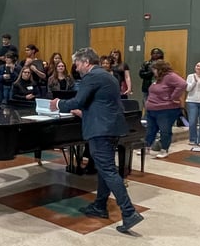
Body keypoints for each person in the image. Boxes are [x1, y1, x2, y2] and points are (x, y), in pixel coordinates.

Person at [49, 47, 144, 234]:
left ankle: (129, 212)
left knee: (108, 170)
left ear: (86, 62)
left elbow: (78, 101)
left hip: (100, 129)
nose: (75, 67)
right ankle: (100, 205)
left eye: (77, 63)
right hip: (111, 126)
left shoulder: (91, 77)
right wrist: (85, 111)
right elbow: (101, 103)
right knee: (103, 167)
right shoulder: (108, 75)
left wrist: (58, 103)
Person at [144, 59, 187, 159]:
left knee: (165, 130)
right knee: (150, 130)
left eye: (154, 69)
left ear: (160, 69)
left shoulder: (170, 76)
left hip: (165, 110)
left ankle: (164, 150)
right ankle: (146, 148)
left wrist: (174, 97)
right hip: (152, 109)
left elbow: (182, 84)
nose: (153, 72)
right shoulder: (158, 78)